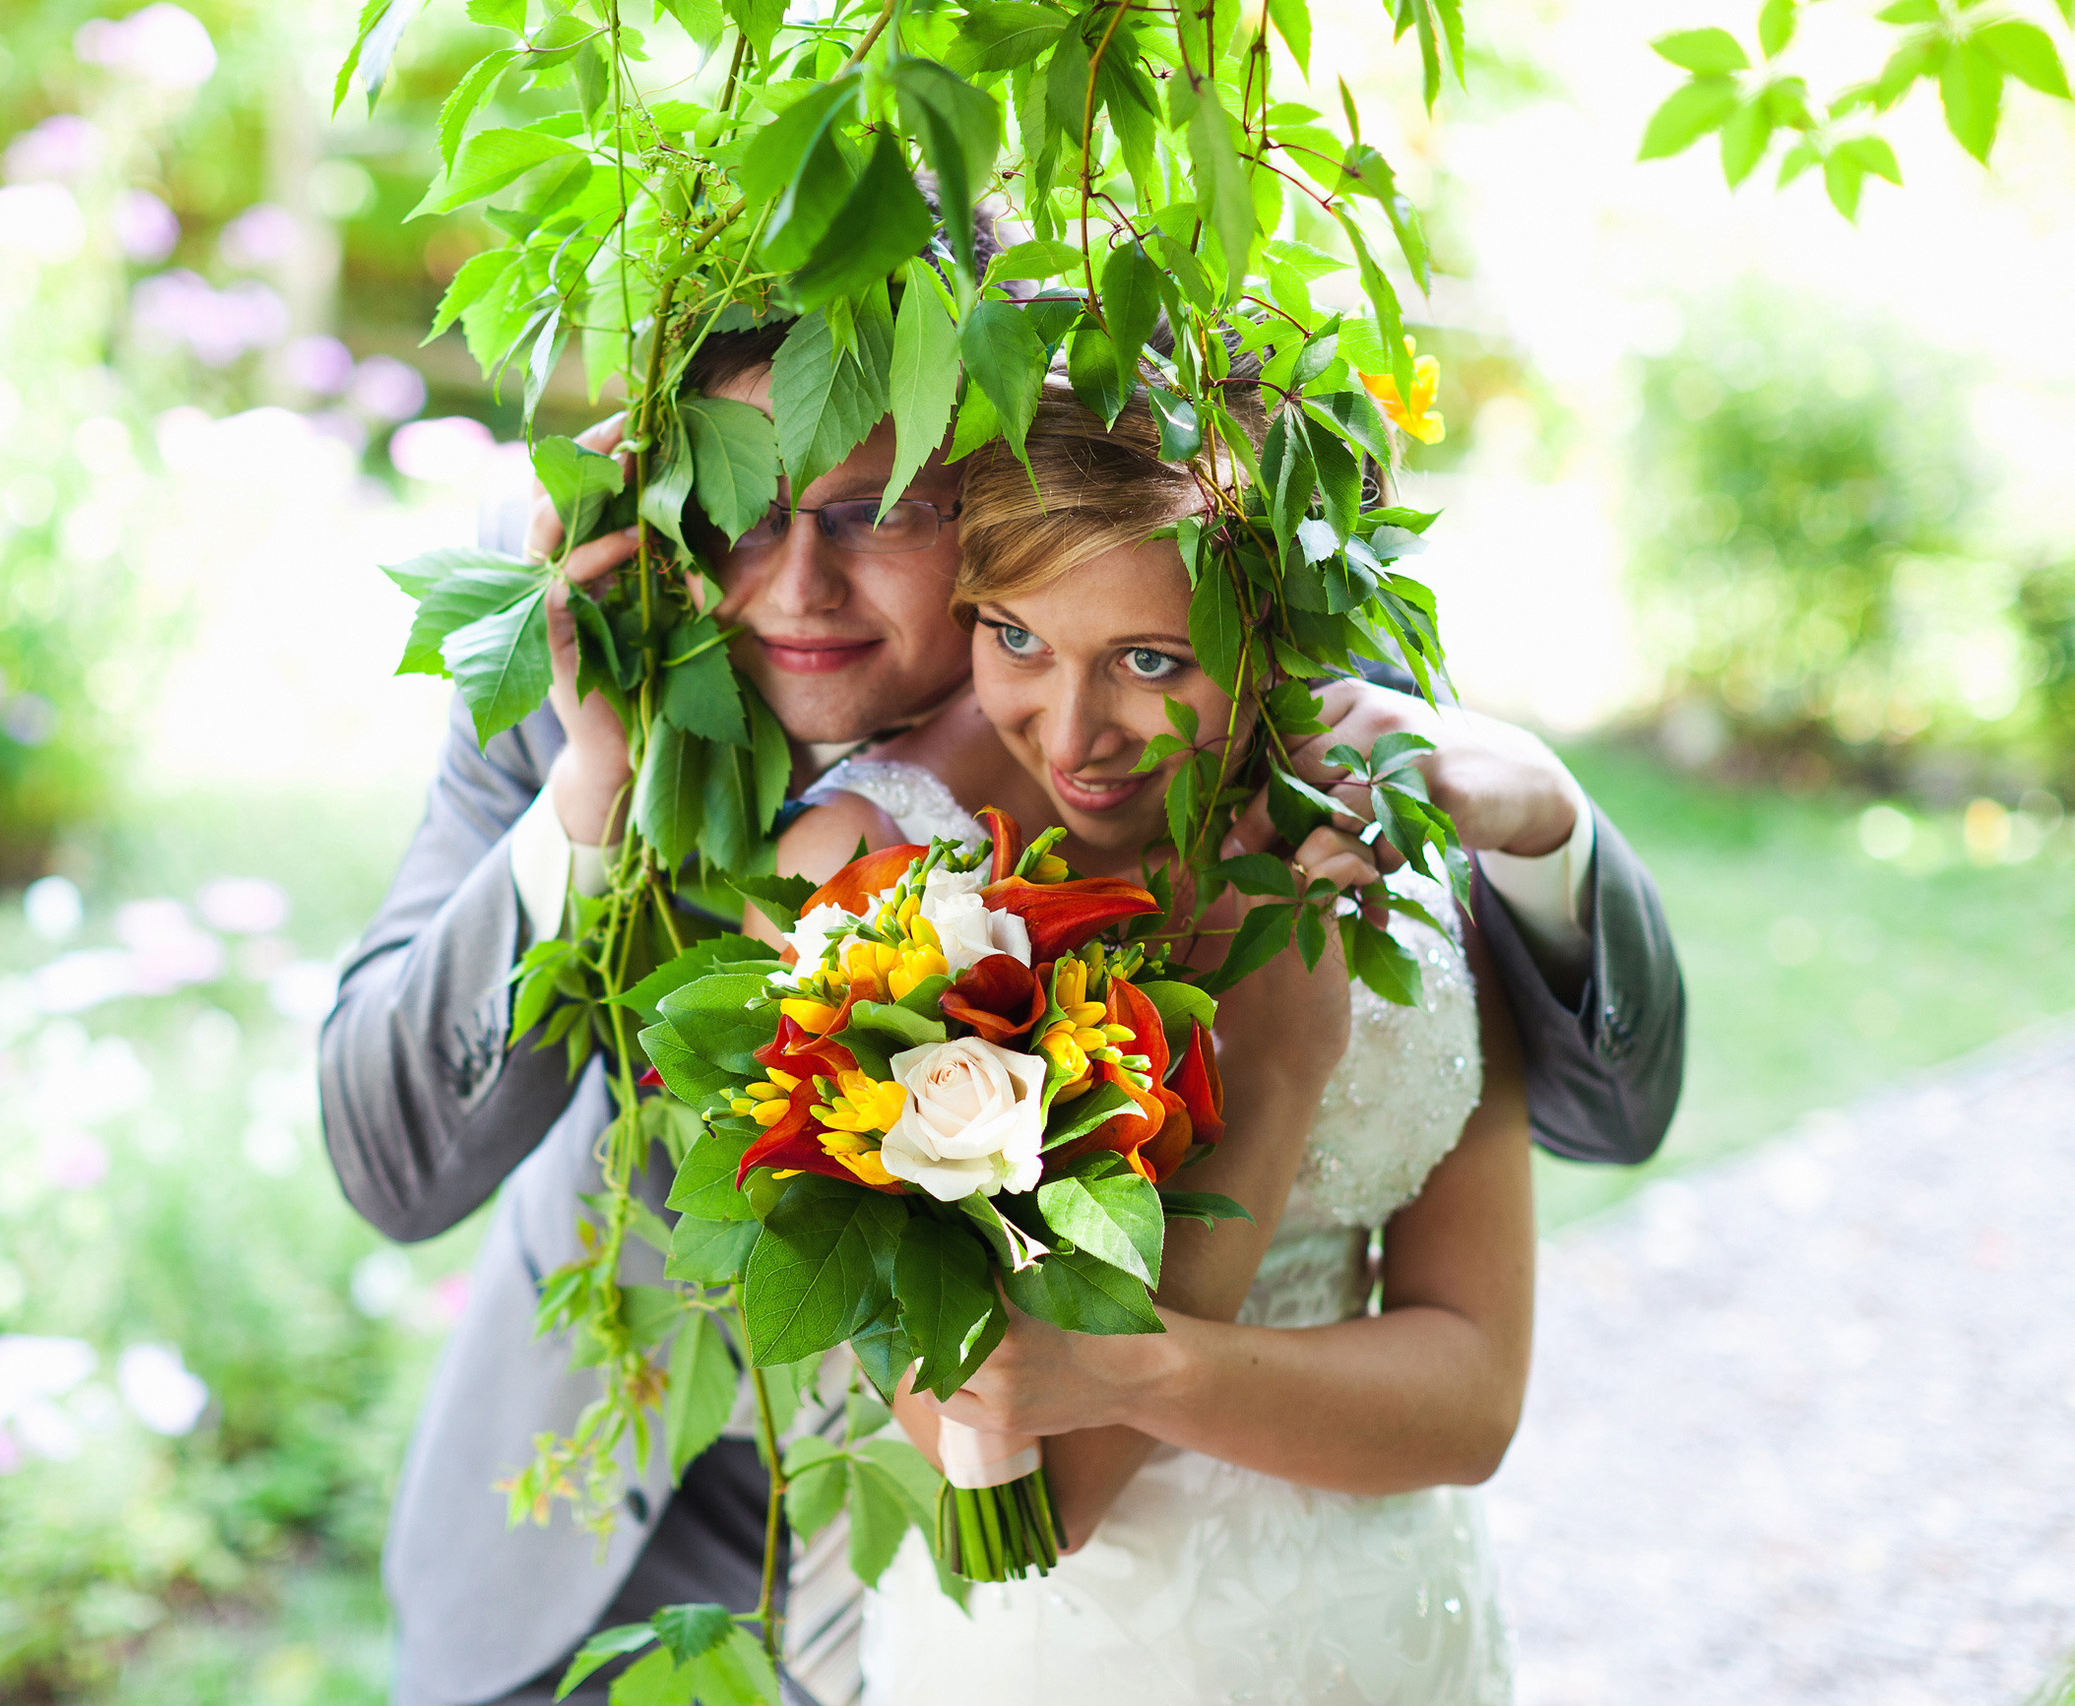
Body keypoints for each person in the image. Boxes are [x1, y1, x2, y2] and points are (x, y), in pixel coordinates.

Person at [318, 331, 1683, 1706]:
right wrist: (1266, 1073)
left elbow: (1478, 1375)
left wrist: (1543, 819)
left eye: (874, 509)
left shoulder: (1278, 679)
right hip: (654, 1547)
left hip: (1362, 1622)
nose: (795, 581)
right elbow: (390, 1155)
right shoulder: (801, 817)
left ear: (977, 482)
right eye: (740, 507)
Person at [787, 387, 1530, 1700]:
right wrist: (1280, 1059)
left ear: (1279, 641)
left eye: (1149, 660)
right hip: (1071, 1653)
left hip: (1393, 1624)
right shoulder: (873, 880)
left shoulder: (1391, 831)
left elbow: (1474, 1396)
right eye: (1016, 635)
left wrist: (1147, 1366)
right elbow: (1042, 1495)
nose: (1072, 735)